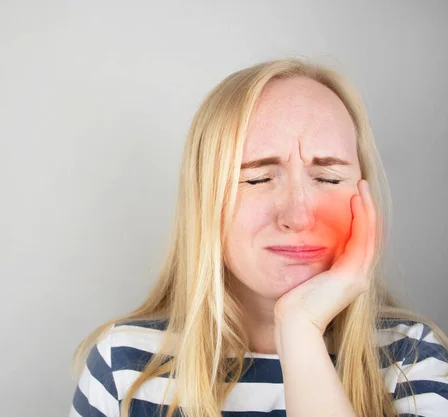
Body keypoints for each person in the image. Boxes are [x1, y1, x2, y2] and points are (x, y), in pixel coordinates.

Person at [68, 59, 448, 417]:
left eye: (329, 178)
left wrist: (300, 329)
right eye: (257, 178)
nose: (298, 216)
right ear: (205, 199)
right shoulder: (125, 368)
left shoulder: (412, 361)